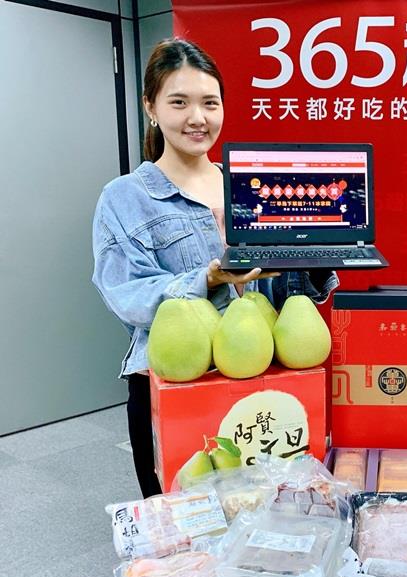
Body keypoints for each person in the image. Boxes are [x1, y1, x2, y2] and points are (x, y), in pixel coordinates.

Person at [92, 38, 337, 498]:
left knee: (272, 514)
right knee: (187, 518)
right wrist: (205, 280)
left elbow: (284, 299)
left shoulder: (254, 187)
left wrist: (315, 253)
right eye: (179, 102)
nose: (197, 117)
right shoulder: (125, 197)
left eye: (209, 102)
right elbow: (126, 294)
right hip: (181, 385)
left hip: (265, 382)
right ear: (150, 107)